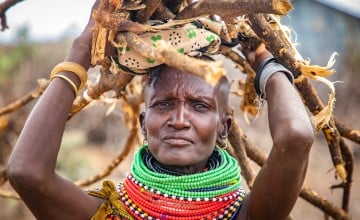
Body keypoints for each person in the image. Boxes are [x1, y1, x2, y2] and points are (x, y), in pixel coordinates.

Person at [6, 0, 314, 219]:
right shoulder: (109, 213)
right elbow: (26, 174)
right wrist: (81, 52)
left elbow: (296, 136)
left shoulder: (249, 214)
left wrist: (263, 61)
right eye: (164, 104)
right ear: (143, 123)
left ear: (224, 128)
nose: (179, 120)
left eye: (199, 106)